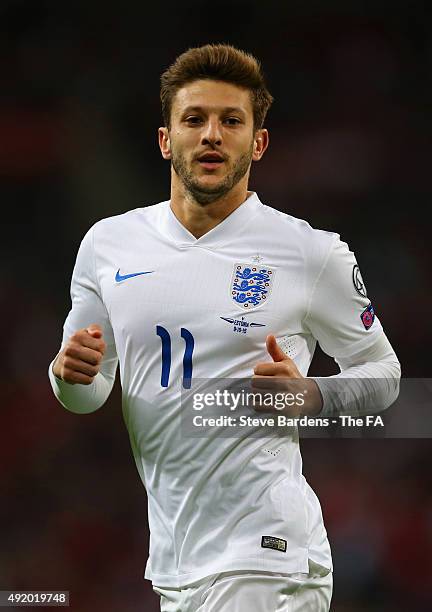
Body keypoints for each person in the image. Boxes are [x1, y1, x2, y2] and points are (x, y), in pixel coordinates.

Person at [49, 44, 401, 611]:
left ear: (257, 142)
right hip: (177, 561)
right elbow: (86, 394)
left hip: (267, 552)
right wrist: (68, 375)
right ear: (166, 139)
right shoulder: (106, 246)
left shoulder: (310, 253)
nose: (211, 134)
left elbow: (384, 376)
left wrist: (310, 396)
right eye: (194, 119)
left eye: (231, 121)